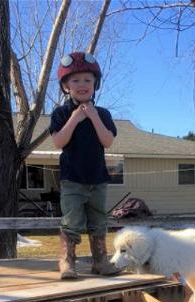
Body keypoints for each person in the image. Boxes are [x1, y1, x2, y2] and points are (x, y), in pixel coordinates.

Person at [49, 51, 121, 279]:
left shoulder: (103, 114)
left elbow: (107, 141)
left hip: (98, 179)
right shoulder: (61, 113)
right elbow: (59, 141)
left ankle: (100, 261)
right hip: (72, 180)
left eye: (88, 80)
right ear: (65, 86)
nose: (82, 85)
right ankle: (67, 261)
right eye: (75, 80)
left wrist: (93, 117)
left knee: (99, 221)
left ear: (95, 84)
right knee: (71, 221)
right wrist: (75, 119)